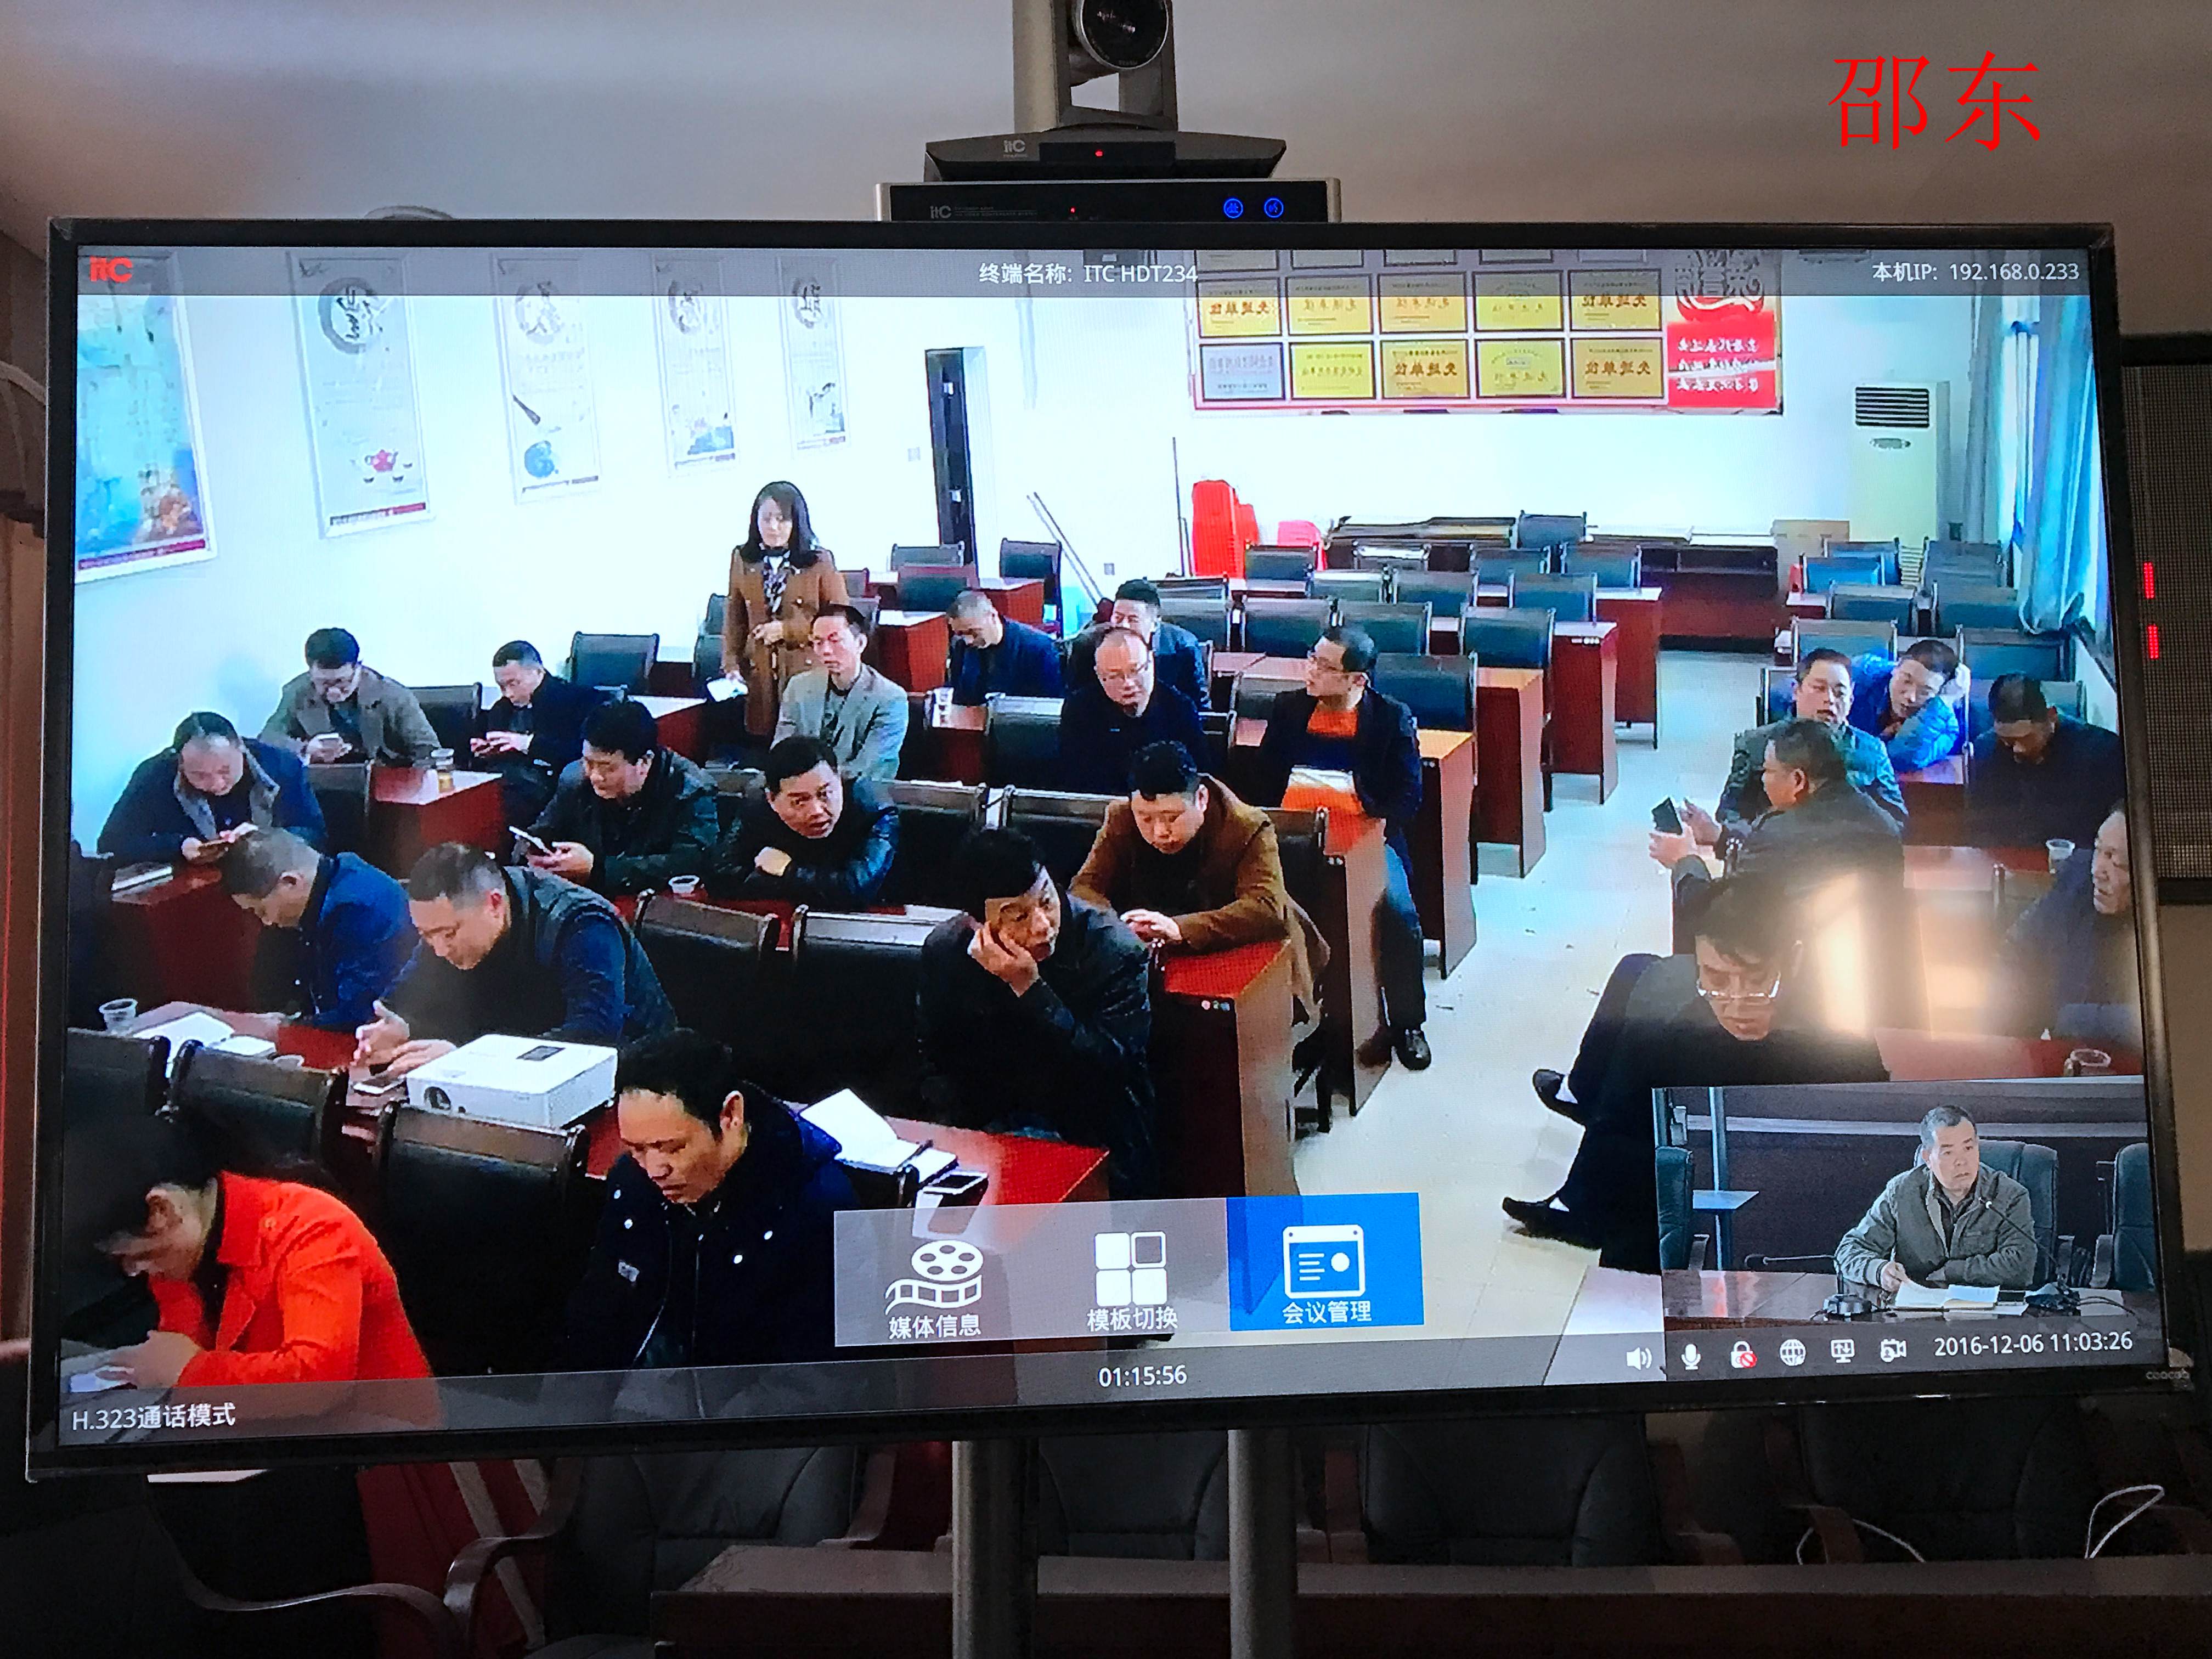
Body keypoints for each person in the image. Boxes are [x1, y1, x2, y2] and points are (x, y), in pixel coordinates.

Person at [1504, 878, 1890, 1268]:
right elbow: (1626, 1137)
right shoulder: (1669, 1027)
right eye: (1716, 980)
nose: (1737, 1002)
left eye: (1757, 980)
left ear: (1793, 959)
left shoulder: (1840, 1038)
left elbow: (1875, 1150)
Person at [563, 1029, 856, 1369]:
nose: (655, 1170)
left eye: (672, 1148)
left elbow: (824, 1379)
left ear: (730, 1115)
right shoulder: (632, 1180)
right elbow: (594, 1316)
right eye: (637, 1149)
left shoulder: (824, 1210)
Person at [75, 1110, 430, 1387]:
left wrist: (192, 1371)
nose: (134, 1270)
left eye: (135, 1256)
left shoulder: (314, 1226)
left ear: (162, 1210)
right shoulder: (176, 1254)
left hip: (376, 1441)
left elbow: (319, 1379)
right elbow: (181, 1347)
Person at [916, 828, 1158, 1198]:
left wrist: (1030, 990)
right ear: (977, 925)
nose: (1043, 925)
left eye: (1047, 901)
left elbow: (1108, 1070)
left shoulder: (1114, 950)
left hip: (1095, 1133)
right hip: (990, 1131)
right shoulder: (946, 951)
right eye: (1018, 917)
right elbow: (936, 1058)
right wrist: (961, 1139)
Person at [1247, 624, 1431, 1070]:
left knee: (1399, 915)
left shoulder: (1390, 718)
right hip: (1294, 840)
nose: (1310, 670)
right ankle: (1308, 1020)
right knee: (1271, 912)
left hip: (1367, 840)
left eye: (1324, 666)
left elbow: (1408, 798)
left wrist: (1364, 829)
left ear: (1356, 679)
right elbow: (1263, 782)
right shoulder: (1289, 708)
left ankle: (1407, 1023)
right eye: (1312, 658)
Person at [352, 843, 675, 1077]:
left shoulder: (581, 925)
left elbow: (592, 1039)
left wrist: (465, 1060)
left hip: (633, 1080)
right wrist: (400, 1027)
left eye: (449, 934)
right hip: (520, 1073)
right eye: (426, 935)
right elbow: (404, 998)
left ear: (494, 904)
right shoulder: (445, 927)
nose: (439, 949)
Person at [1070, 741, 1324, 1018]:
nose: (1160, 832)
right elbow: (1084, 888)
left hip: (1237, 953)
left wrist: (1179, 929)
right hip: (1156, 956)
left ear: (1201, 799)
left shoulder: (1247, 825)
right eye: (1146, 819)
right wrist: (1118, 928)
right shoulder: (1121, 817)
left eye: (1172, 818)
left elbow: (1265, 908)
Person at [221, 827, 417, 1032]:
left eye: (261, 911)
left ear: (290, 882)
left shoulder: (357, 912)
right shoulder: (330, 880)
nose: (267, 922)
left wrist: (285, 1028)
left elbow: (357, 1017)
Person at [524, 698, 718, 897]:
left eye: (607, 767)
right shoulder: (575, 779)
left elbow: (690, 862)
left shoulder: (690, 789)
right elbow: (544, 830)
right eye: (588, 763)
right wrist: (534, 851)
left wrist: (598, 868)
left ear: (644, 762)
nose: (595, 776)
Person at [1835, 1105, 2039, 1293]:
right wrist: (1878, 1271)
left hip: (1988, 1312)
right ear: (1928, 1158)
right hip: (1916, 1310)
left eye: (1969, 1148)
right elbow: (1848, 1251)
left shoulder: (2009, 1195)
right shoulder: (1902, 1192)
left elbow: (2021, 1266)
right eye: (1948, 1153)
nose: (1962, 1162)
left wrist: (1952, 1272)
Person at [1993, 804, 2140, 1049]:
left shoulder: (2177, 925)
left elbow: (2163, 1017)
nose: (2098, 871)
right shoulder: (2077, 877)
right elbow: (2018, 949)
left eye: (2118, 862)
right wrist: (2007, 1032)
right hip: (2052, 1051)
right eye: (2099, 850)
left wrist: (2075, 1020)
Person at [98, 710, 328, 866]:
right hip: (197, 888)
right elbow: (112, 844)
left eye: (226, 770)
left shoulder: (281, 765)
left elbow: (315, 834)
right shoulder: (156, 775)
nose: (217, 784)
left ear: (241, 748)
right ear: (180, 763)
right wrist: (178, 846)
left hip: (271, 878)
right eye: (199, 776)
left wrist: (266, 838)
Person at [721, 480, 851, 742]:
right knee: (763, 745)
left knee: (801, 744)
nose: (773, 527)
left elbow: (840, 618)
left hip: (805, 671)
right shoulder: (743, 558)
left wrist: (787, 630)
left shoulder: (819, 561)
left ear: (797, 522)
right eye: (766, 519)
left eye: (782, 519)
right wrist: (731, 665)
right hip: (760, 675)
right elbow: (735, 617)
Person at [1718, 648, 1905, 829]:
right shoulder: (1756, 744)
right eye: (1819, 689)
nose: (1830, 699)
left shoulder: (1871, 750)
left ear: (1851, 699)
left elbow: (1896, 819)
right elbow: (1730, 813)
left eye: (1840, 693)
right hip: (1774, 843)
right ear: (1796, 691)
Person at [710, 735, 898, 907]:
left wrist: (788, 870)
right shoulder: (757, 806)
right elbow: (721, 878)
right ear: (772, 799)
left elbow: (855, 891)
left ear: (839, 780)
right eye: (799, 801)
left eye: (825, 794)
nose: (817, 811)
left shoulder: (874, 808)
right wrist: (818, 887)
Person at [1966, 674, 2126, 849]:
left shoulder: (2100, 751)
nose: (2017, 749)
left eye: (2026, 738)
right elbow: (1980, 825)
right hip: (2008, 855)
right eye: (2008, 741)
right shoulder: (1986, 750)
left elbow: (2114, 822)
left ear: (2052, 716)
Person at [1057, 626, 1206, 797]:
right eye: (1114, 676)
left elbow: (1199, 777)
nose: (1128, 683)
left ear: (1151, 663)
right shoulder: (1079, 709)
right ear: (1099, 675)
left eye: (1135, 671)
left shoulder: (1180, 708)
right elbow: (1075, 780)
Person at [261, 626, 439, 767]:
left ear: (358, 668)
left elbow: (429, 750)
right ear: (311, 672)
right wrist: (305, 749)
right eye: (323, 683)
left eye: (341, 682)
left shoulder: (393, 696)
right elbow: (268, 738)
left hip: (385, 778)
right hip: (326, 781)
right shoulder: (298, 692)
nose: (333, 691)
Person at [472, 639, 603, 826]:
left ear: (538, 672)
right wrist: (486, 750)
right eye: (502, 687)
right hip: (506, 782)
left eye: (514, 684)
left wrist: (528, 744)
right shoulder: (501, 709)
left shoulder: (580, 700)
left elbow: (582, 752)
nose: (508, 694)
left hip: (549, 786)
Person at [773, 603, 907, 782]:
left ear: (860, 643)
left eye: (835, 641)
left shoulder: (890, 698)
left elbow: (868, 768)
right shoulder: (799, 686)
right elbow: (782, 750)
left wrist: (815, 782)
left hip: (859, 791)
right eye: (818, 642)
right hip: (802, 789)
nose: (826, 651)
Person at [1849, 639, 1963, 772]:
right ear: (1896, 669)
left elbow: (1902, 760)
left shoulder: (1944, 726)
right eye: (1906, 681)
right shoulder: (1860, 678)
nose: (1911, 697)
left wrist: (1942, 703)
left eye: (1925, 691)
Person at [946, 589, 1065, 704]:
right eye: (960, 634)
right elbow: (959, 699)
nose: (968, 641)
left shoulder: (1041, 649)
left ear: (992, 616)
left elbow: (1052, 705)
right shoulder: (961, 647)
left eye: (973, 632)